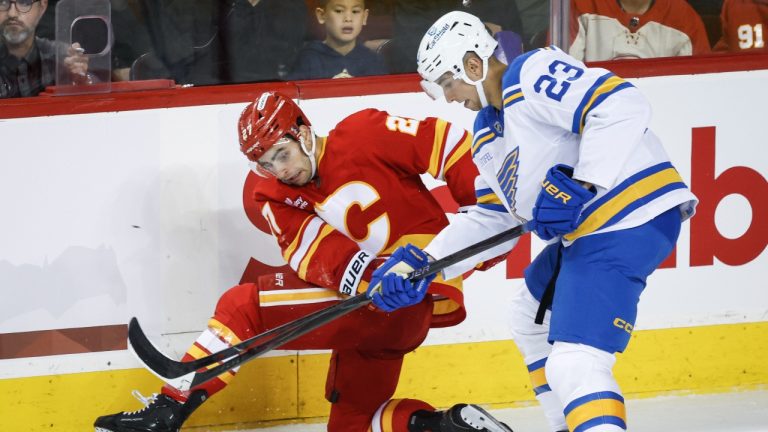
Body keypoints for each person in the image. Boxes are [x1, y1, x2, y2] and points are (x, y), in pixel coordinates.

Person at [93, 91, 513, 432]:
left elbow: (447, 145)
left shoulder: (363, 133)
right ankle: (449, 425)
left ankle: (166, 412)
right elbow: (314, 253)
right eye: (265, 163)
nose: (279, 170)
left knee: (243, 307)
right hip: (385, 312)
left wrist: (488, 214)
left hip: (405, 295)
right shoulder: (273, 193)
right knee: (352, 424)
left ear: (304, 133)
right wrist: (371, 276)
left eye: (282, 153)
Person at [374, 11, 699, 432]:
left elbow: (621, 103)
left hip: (629, 216)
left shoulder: (530, 73)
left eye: (447, 84)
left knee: (575, 361)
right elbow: (494, 220)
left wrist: (581, 183)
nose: (449, 97)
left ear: (473, 66)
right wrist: (423, 262)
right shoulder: (488, 132)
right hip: (591, 234)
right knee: (529, 317)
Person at [386, 0, 523, 74]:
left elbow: (518, 46)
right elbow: (417, 48)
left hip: (497, 83)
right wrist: (482, 29)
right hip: (441, 89)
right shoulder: (413, 3)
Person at [0, 0, 90, 98]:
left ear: (42, 7)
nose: (12, 13)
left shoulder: (62, 58)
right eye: (2, 2)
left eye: (24, 2)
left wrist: (81, 79)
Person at [569, 0, 711, 61]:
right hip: (592, 112)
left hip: (662, 114)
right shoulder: (580, 5)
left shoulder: (684, 18)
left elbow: (697, 89)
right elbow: (560, 73)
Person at [288, 0, 386, 80]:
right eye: (339, 11)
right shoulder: (307, 59)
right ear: (321, 15)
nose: (348, 18)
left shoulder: (373, 60)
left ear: (364, 17)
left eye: (355, 11)